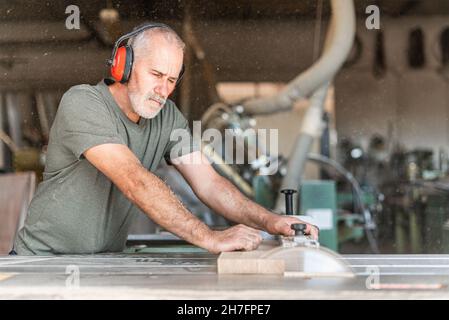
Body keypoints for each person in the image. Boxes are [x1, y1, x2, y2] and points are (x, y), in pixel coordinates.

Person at [14, 23, 318, 255]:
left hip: (102, 264)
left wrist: (270, 221)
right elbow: (135, 181)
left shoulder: (167, 116)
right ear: (125, 66)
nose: (163, 89)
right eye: (156, 74)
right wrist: (210, 237)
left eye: (171, 80)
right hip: (41, 262)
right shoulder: (83, 103)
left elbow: (209, 184)